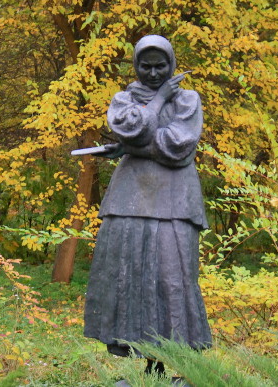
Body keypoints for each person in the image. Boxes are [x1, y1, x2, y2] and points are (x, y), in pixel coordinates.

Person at [83, 35, 212, 378]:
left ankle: (183, 367)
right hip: (129, 200)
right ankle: (146, 368)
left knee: (174, 279)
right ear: (136, 66)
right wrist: (156, 104)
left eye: (160, 66)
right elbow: (136, 128)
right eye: (146, 66)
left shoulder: (188, 100)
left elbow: (178, 147)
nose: (154, 73)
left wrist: (130, 147)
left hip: (176, 202)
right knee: (132, 280)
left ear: (171, 64)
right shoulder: (123, 100)